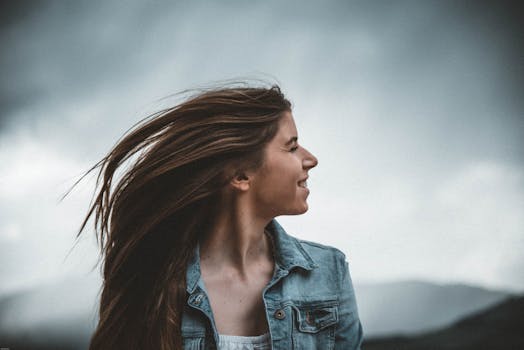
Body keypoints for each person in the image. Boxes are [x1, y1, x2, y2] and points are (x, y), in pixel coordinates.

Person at [77, 84, 363, 349]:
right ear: (240, 175)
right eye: (291, 147)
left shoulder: (329, 273)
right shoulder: (155, 282)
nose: (310, 159)